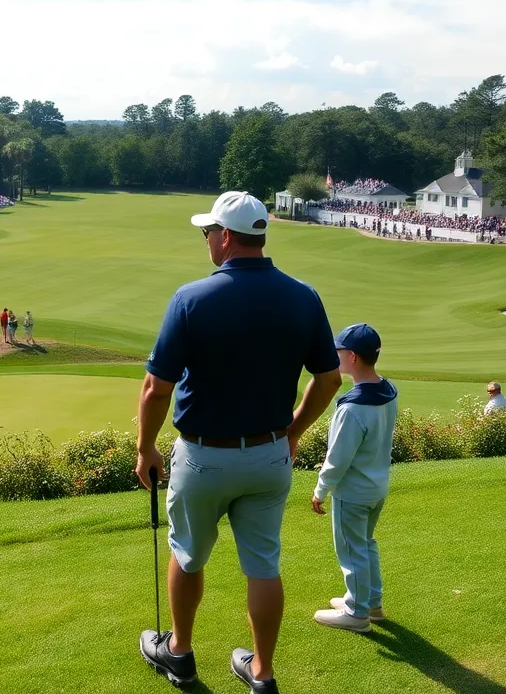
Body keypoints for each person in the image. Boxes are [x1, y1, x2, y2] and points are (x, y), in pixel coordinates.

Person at [136, 191, 342, 693]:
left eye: (208, 232)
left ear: (225, 236)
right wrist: (293, 431)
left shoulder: (191, 298)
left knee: (188, 554)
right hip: (270, 456)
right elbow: (330, 379)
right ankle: (262, 674)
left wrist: (145, 449)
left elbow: (156, 389)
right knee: (263, 566)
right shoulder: (304, 296)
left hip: (203, 458)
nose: (206, 239)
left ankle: (179, 653)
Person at [310, 324, 397, 633]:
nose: (335, 355)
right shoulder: (388, 390)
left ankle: (357, 613)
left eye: (339, 351)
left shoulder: (352, 408)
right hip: (377, 486)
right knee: (366, 543)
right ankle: (371, 603)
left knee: (352, 549)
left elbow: (338, 458)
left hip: (354, 491)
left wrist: (321, 489)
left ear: (353, 356)